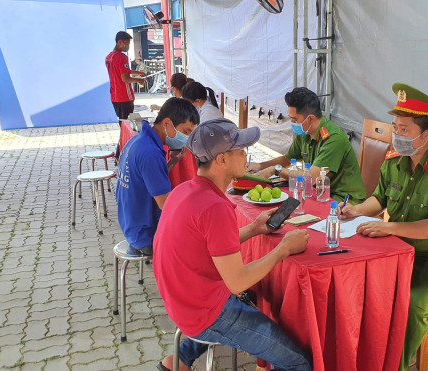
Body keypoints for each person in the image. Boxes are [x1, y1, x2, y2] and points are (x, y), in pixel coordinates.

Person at [153, 118, 312, 371]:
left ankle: (180, 359)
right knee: (298, 362)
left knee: (250, 296)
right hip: (204, 311)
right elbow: (237, 281)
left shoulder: (185, 190)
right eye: (240, 151)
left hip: (181, 300)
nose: (245, 156)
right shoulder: (215, 207)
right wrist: (284, 249)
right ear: (221, 160)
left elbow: (207, 245)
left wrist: (253, 229)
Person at [339, 83, 428, 371]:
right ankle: (362, 356)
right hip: (396, 247)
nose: (396, 135)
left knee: (411, 304)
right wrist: (357, 211)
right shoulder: (394, 158)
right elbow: (381, 197)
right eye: (394, 127)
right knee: (359, 283)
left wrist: (389, 228)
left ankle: (395, 365)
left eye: (404, 130)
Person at [248, 87, 366, 204]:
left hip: (341, 199)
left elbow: (310, 179)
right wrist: (259, 166)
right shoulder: (305, 132)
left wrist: (275, 170)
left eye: (294, 119)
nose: (292, 123)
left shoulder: (334, 139)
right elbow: (286, 159)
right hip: (317, 192)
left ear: (310, 118)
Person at [116, 97, 199, 256]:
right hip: (145, 235)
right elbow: (166, 204)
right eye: (185, 131)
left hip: (130, 224)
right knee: (200, 242)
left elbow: (147, 181)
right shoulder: (150, 153)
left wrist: (171, 163)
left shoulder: (138, 141)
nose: (187, 138)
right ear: (167, 123)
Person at [106, 31, 147, 158]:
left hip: (115, 97)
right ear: (120, 42)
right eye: (126, 44)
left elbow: (122, 71)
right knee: (129, 128)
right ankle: (121, 154)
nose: (127, 47)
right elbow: (125, 78)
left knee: (124, 125)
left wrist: (136, 72)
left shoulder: (109, 57)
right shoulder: (121, 57)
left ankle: (121, 154)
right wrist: (138, 80)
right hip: (125, 97)